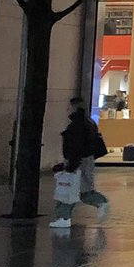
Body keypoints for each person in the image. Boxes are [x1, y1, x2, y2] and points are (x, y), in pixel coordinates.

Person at [49, 97, 110, 229]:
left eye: (69, 107)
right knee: (81, 190)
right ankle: (99, 202)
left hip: (77, 161)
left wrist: (70, 163)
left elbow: (75, 145)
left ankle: (64, 217)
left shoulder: (76, 125)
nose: (67, 109)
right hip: (84, 159)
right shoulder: (88, 122)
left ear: (74, 107)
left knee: (67, 190)